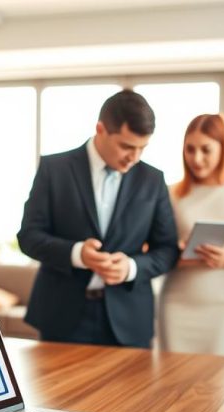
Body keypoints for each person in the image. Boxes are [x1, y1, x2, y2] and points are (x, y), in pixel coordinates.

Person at [18, 89, 179, 348]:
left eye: (142, 148)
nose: (134, 157)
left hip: (129, 320)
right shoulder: (54, 169)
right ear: (100, 129)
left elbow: (168, 250)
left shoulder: (152, 180)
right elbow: (28, 237)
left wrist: (131, 268)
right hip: (61, 317)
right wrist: (77, 253)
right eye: (127, 146)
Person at [158, 114, 224, 356]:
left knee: (221, 384)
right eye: (190, 149)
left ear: (223, 149)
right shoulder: (169, 193)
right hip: (177, 302)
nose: (197, 158)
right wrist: (176, 253)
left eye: (206, 150)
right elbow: (149, 248)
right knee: (172, 382)